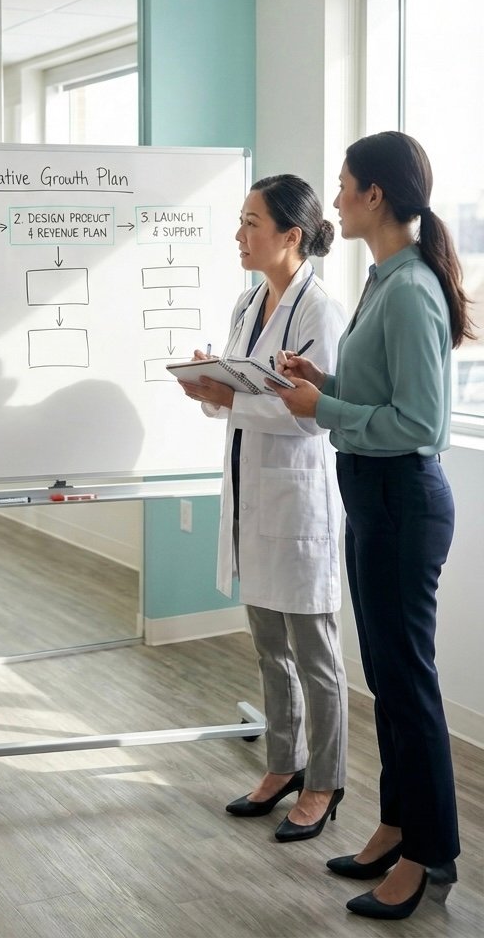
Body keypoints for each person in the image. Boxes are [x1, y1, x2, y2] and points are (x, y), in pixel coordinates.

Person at [274, 132, 471, 920]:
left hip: (401, 501)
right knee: (388, 680)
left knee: (408, 686)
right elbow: (377, 392)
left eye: (345, 184)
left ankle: (429, 858)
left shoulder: (413, 289)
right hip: (376, 499)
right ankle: (394, 826)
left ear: (375, 197)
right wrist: (321, 382)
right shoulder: (384, 280)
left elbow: (419, 424)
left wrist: (323, 409)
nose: (338, 196)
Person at [178, 175, 348, 842]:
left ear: (291, 236)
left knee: (316, 658)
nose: (240, 235)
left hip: (297, 502)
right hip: (254, 498)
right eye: (240, 221)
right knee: (270, 649)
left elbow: (310, 418)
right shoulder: (249, 303)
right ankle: (284, 764)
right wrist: (208, 382)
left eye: (252, 223)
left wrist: (228, 398)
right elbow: (247, 393)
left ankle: (326, 781)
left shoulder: (320, 312)